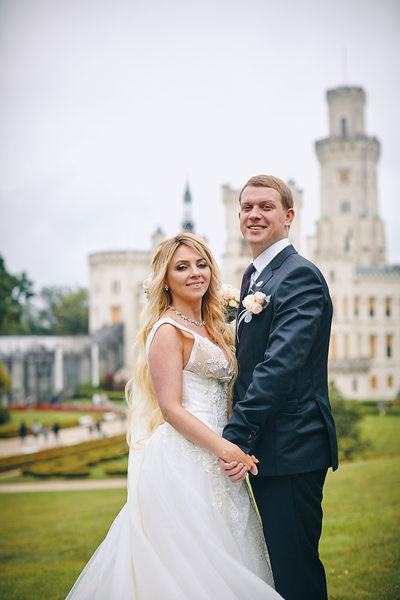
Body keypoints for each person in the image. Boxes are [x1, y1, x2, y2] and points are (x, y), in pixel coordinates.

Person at [66, 233, 283, 600]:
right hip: (186, 463)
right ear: (165, 279)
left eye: (201, 264)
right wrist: (227, 450)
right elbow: (171, 409)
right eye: (181, 267)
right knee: (191, 570)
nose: (195, 273)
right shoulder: (167, 330)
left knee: (228, 558)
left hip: (218, 459)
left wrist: (233, 446)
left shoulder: (212, 327)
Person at [221, 175, 339, 600]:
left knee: (295, 570)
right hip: (271, 448)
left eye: (266, 207)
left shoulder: (298, 277)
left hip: (292, 447)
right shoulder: (256, 277)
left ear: (288, 217)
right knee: (278, 567)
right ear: (238, 216)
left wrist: (233, 435)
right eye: (247, 207)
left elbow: (279, 367)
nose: (255, 214)